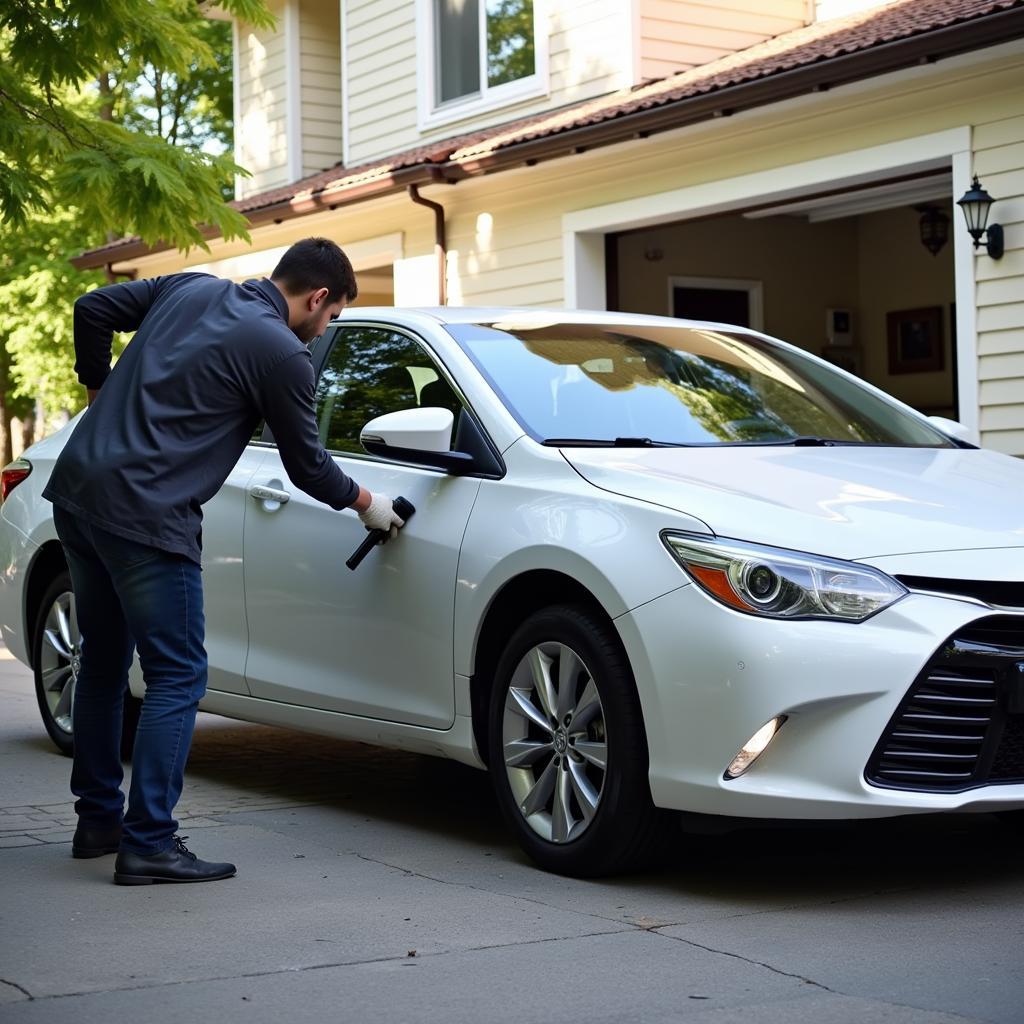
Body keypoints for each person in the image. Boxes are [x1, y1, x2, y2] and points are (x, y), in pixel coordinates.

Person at [43, 237, 404, 885]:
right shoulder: (282, 354)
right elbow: (308, 468)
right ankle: (149, 841)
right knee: (179, 674)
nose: (325, 330)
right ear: (318, 297)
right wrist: (368, 503)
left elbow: (90, 307)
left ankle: (98, 820)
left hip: (77, 491)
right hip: (148, 517)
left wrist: (98, 389)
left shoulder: (190, 286)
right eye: (333, 317)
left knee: (102, 660)